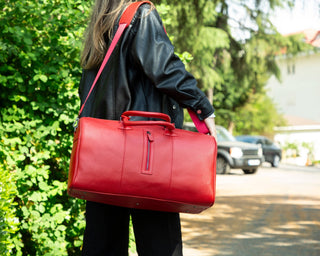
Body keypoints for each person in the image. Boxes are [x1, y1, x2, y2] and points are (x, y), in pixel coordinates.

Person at [78, 0, 217, 255]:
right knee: (160, 245)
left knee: (102, 244)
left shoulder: (101, 25)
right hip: (147, 155)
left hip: (102, 158)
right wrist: (202, 108)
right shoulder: (141, 14)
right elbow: (165, 69)